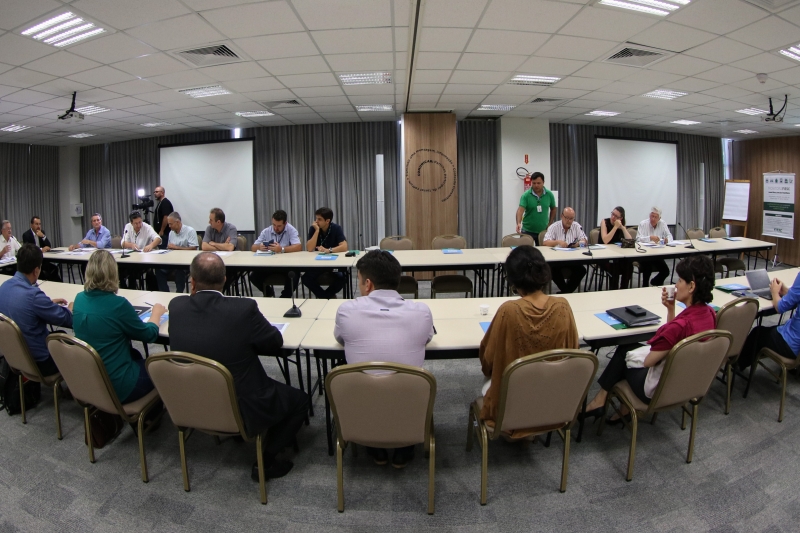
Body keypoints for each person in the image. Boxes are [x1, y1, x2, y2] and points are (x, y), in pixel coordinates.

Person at [168, 252, 308, 481]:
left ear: (191, 282)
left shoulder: (177, 306)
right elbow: (274, 342)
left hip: (192, 400)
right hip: (241, 404)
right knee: (301, 401)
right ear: (225, 280)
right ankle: (266, 461)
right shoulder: (242, 309)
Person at [584, 255, 717, 423]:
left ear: (691, 286)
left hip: (661, 390)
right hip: (688, 383)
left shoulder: (680, 326)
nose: (676, 285)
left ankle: (599, 401)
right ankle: (617, 406)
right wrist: (671, 310)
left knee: (624, 352)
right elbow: (676, 339)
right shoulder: (709, 314)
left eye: (680, 280)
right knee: (630, 350)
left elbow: (649, 362)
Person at [334, 250, 435, 468]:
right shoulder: (422, 312)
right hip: (409, 404)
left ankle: (374, 446)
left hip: (363, 403)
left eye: (359, 282)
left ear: (368, 284)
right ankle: (404, 447)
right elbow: (427, 338)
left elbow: (340, 338)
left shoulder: (346, 311)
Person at [479, 245, 579, 439]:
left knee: (491, 379)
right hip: (553, 402)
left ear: (513, 279)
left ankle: (518, 426)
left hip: (511, 406)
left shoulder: (508, 311)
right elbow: (573, 353)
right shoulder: (563, 307)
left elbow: (488, 360)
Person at [72, 250, 166, 404]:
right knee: (160, 367)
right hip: (117, 385)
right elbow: (149, 335)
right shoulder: (118, 305)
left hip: (91, 379)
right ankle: (151, 418)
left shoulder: (79, 298)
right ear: (113, 273)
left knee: (134, 353)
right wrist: (155, 315)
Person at [0, 244, 73, 376]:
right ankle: (78, 388)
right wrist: (70, 308)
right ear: (36, 270)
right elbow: (68, 320)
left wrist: (47, 303)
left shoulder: (3, 288)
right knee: (73, 343)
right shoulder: (34, 296)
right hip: (39, 362)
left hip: (15, 357)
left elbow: (24, 307)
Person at [737, 274, 800, 371]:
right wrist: (789, 292)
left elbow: (780, 307)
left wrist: (774, 292)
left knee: (757, 333)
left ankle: (737, 365)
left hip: (792, 345)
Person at [250, 210, 302, 298]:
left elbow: (298, 247)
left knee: (294, 275)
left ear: (285, 223)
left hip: (286, 265)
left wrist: (282, 249)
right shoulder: (266, 231)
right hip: (269, 265)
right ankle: (268, 292)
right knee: (254, 276)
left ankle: (284, 297)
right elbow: (253, 247)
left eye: (279, 226)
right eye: (274, 225)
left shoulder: (291, 230)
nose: (275, 228)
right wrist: (259, 247)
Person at [303, 207, 348, 299]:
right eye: (316, 219)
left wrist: (329, 250)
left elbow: (344, 246)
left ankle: (324, 296)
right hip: (317, 264)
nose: (316, 222)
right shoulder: (314, 228)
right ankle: (325, 297)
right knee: (305, 278)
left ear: (327, 221)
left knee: (343, 277)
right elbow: (310, 248)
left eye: (319, 219)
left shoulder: (336, 228)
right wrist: (316, 231)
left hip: (334, 264)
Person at [542, 207, 587, 293]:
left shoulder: (577, 226)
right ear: (561, 216)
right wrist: (557, 241)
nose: (569, 221)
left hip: (572, 258)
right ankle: (567, 291)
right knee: (552, 270)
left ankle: (565, 292)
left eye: (571, 218)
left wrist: (578, 244)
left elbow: (584, 240)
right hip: (557, 259)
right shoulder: (554, 227)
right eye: (567, 218)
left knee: (582, 270)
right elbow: (545, 242)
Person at [155, 212, 198, 293]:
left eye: (171, 224)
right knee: (159, 270)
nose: (169, 226)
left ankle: (179, 293)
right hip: (173, 261)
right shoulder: (171, 233)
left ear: (177, 222)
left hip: (186, 262)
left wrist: (176, 248)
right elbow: (170, 247)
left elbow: (194, 249)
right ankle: (165, 293)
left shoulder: (190, 231)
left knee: (179, 270)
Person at [119, 211, 161, 290]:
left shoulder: (147, 227)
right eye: (136, 223)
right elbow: (123, 243)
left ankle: (133, 290)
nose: (139, 225)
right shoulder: (128, 227)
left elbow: (158, 238)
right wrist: (131, 245)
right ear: (131, 223)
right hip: (131, 259)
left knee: (132, 271)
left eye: (140, 222)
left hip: (144, 260)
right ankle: (125, 290)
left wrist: (151, 245)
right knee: (119, 269)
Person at [515, 172, 557, 246]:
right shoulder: (526, 195)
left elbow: (553, 209)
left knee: (543, 253)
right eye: (534, 183)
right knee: (525, 253)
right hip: (527, 230)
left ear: (543, 182)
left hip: (543, 230)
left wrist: (550, 223)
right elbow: (520, 210)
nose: (536, 185)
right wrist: (518, 223)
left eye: (538, 183)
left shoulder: (549, 194)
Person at [636, 206, 673, 287]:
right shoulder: (643, 224)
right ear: (649, 216)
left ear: (659, 218)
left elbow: (670, 236)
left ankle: (655, 282)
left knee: (666, 271)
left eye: (655, 217)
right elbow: (638, 239)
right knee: (647, 267)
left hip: (657, 253)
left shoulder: (662, 223)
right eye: (652, 216)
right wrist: (650, 238)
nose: (653, 219)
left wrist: (667, 240)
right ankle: (645, 286)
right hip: (644, 254)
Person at [600, 206, 633, 290]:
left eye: (616, 216)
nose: (613, 217)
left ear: (621, 218)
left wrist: (622, 228)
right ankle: (613, 290)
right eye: (612, 214)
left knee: (629, 265)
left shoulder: (621, 225)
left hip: (618, 254)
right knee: (615, 266)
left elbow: (630, 241)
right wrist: (615, 227)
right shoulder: (605, 222)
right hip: (605, 256)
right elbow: (605, 240)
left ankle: (623, 289)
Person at [22, 216, 61, 281]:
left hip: (43, 260)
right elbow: (29, 250)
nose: (38, 226)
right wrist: (41, 249)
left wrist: (43, 236)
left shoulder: (41, 232)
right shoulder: (26, 235)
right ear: (31, 225)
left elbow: (48, 245)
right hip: (33, 263)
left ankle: (58, 284)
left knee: (54, 268)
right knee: (46, 272)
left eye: (39, 224)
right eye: (36, 224)